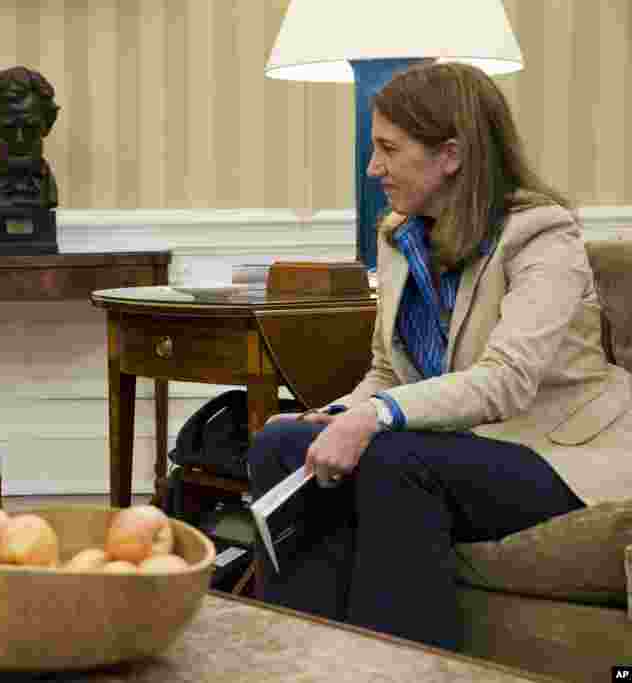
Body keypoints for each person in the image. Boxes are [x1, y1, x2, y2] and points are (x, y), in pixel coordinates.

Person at [247, 61, 632, 651]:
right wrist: (335, 413)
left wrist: (373, 417)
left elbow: (506, 381)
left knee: (393, 459)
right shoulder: (399, 235)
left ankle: (402, 667)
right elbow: (384, 370)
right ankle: (310, 658)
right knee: (280, 442)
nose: (373, 168)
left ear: (450, 155)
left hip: (554, 451)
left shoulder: (542, 237)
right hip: (451, 443)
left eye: (388, 150)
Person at [0, 65, 60, 210]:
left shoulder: (48, 190)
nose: (19, 139)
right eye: (8, 130)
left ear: (46, 126)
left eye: (30, 129)